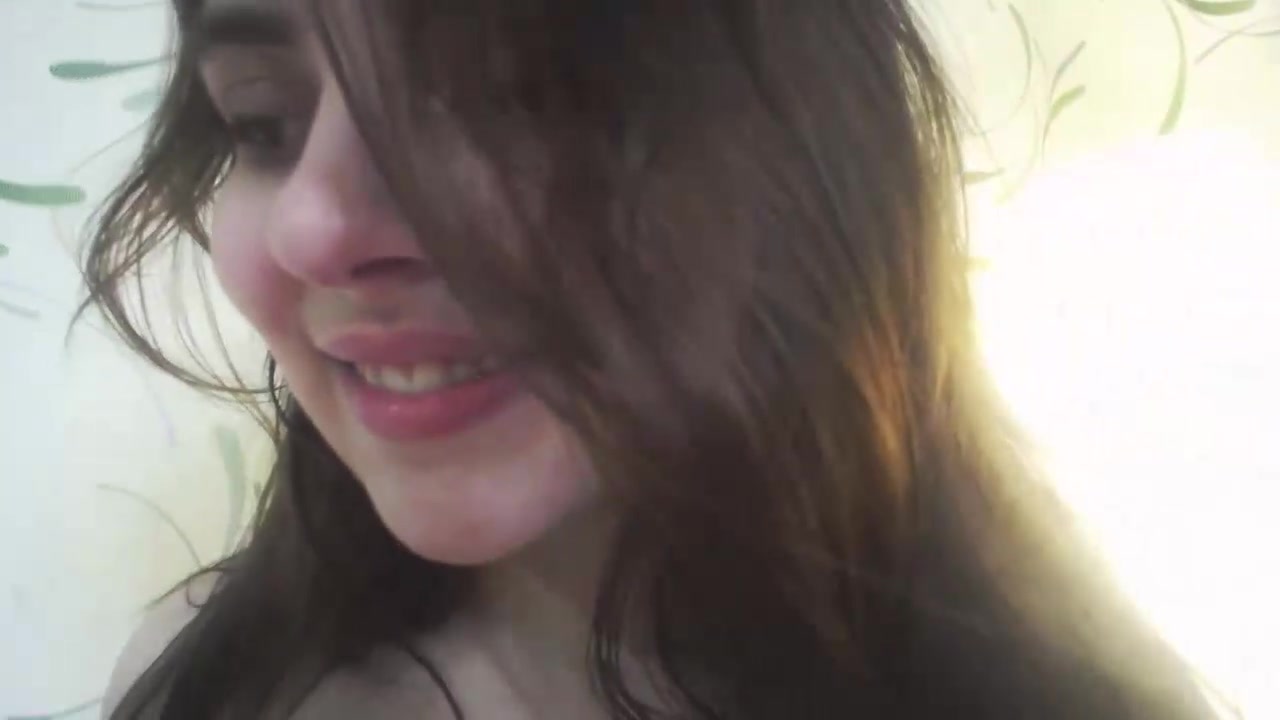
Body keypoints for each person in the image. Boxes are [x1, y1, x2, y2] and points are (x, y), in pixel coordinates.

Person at [81, 0, 1218, 718]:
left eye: (516, 95)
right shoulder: (204, 677)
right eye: (263, 123)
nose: (313, 228)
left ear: (806, 153)